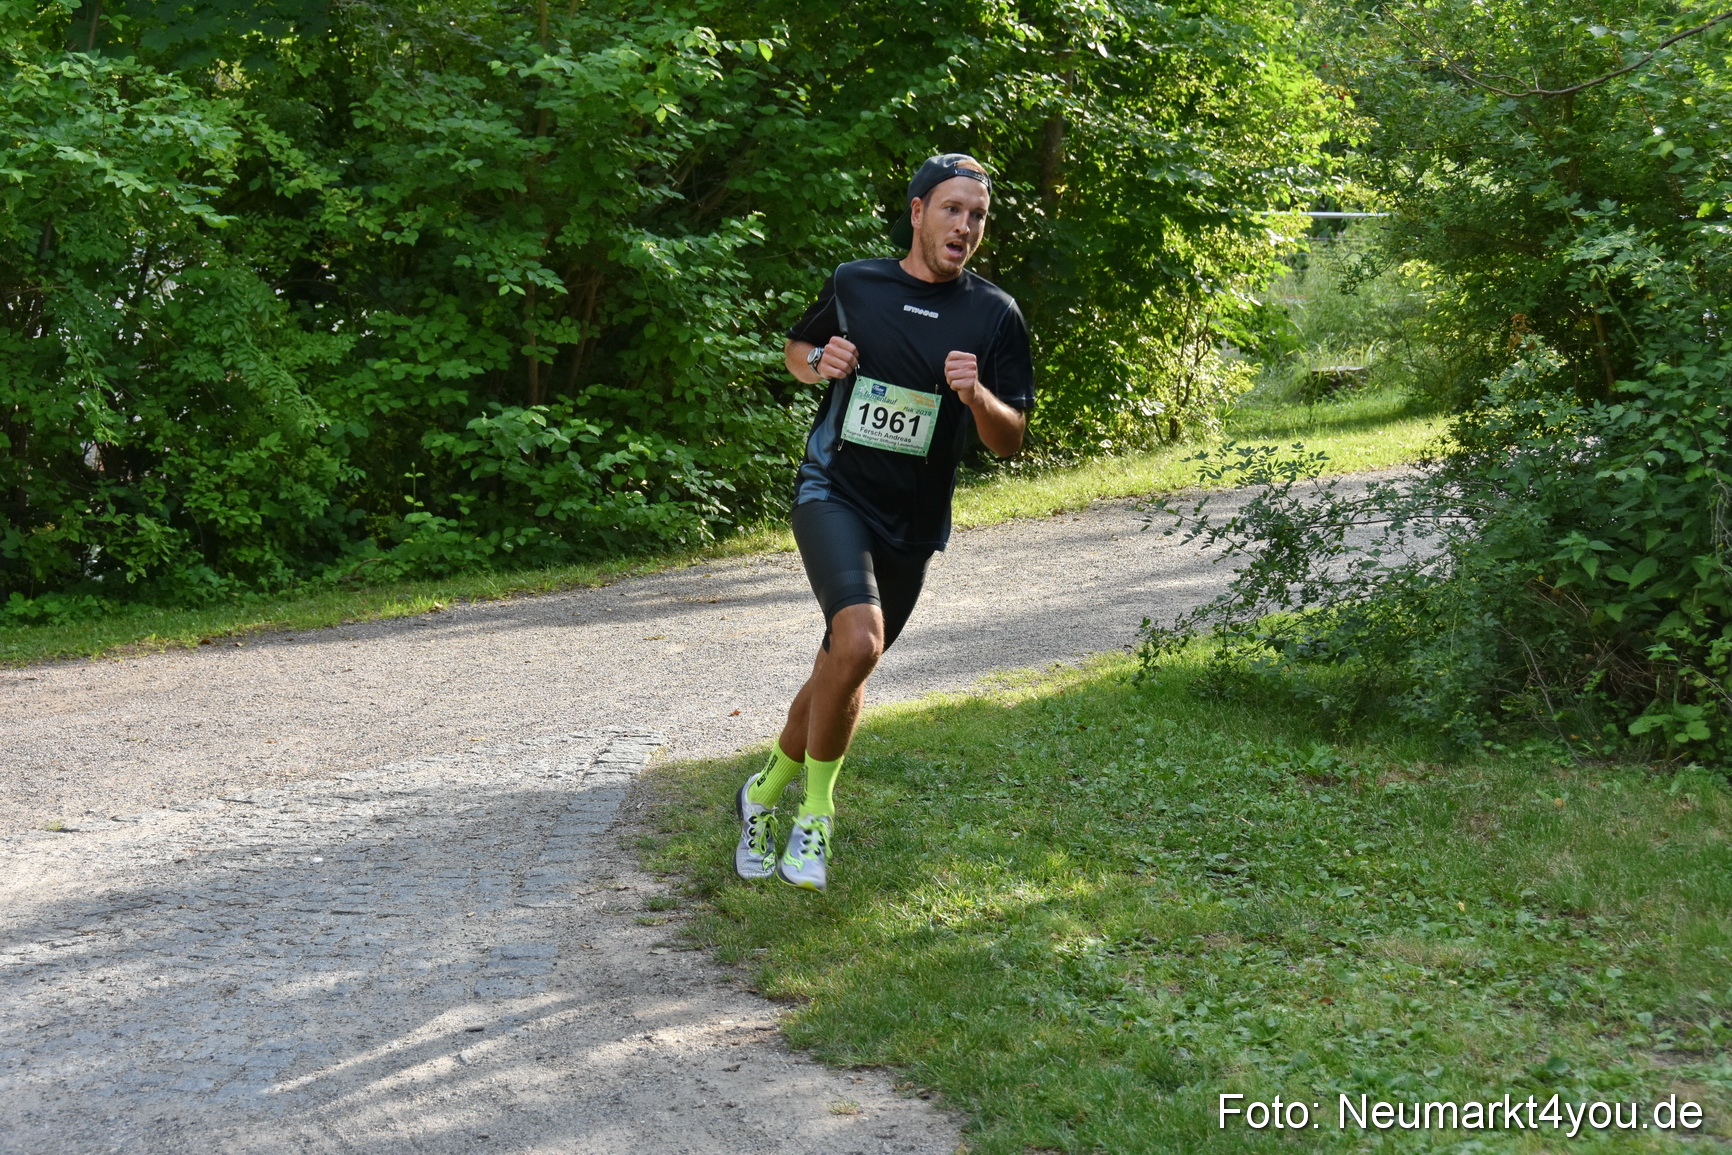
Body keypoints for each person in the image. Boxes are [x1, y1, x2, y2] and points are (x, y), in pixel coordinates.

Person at [735, 153, 1037, 891]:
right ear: (917, 211)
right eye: (952, 209)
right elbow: (798, 350)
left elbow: (1011, 438)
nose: (964, 225)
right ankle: (815, 817)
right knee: (861, 639)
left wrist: (976, 400)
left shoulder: (994, 314)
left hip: (913, 518)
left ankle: (763, 791)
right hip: (833, 490)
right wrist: (820, 364)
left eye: (977, 215)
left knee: (845, 658)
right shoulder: (855, 283)